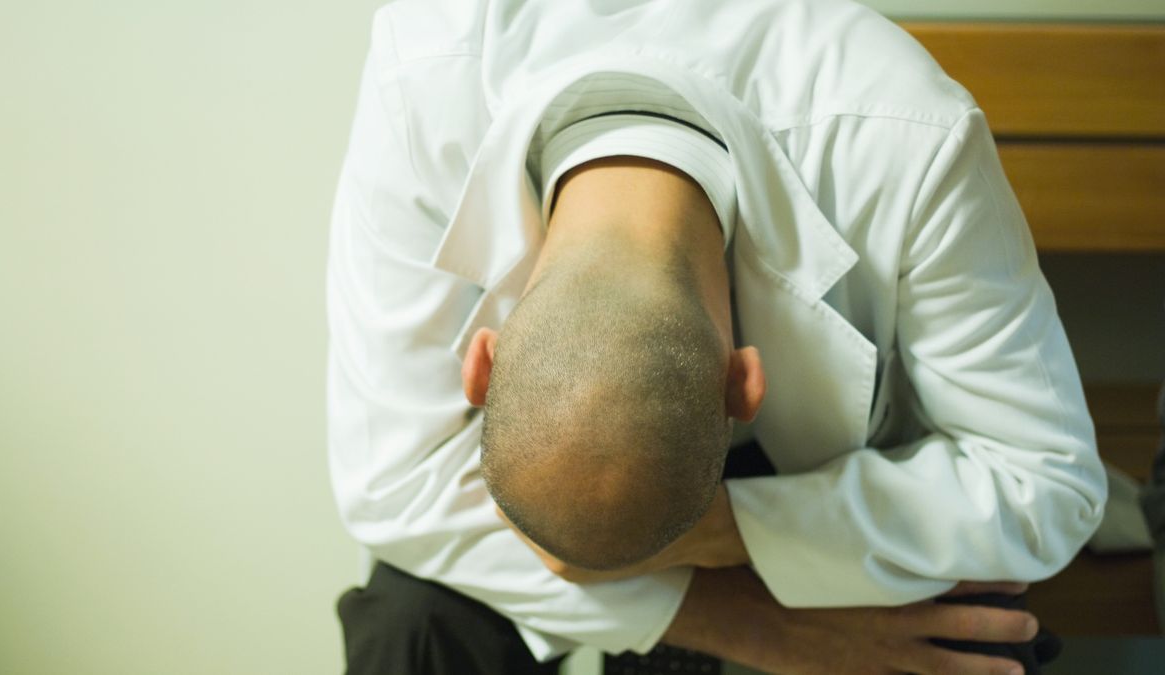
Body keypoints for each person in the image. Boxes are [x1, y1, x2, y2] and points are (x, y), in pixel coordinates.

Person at [325, 0, 1108, 673]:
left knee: (975, 642)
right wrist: (758, 622)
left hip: (838, 473)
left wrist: (729, 531)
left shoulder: (908, 132)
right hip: (558, 508)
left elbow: (1047, 482)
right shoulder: (424, 71)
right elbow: (394, 487)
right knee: (408, 623)